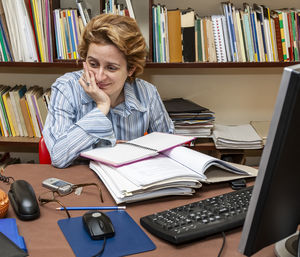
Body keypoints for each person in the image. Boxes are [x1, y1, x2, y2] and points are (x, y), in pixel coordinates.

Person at [42, 14, 174, 168]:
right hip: (82, 183)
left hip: (132, 181)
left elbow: (169, 147)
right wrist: (101, 107)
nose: (99, 76)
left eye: (111, 68)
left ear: (130, 69)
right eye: (93, 64)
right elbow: (58, 156)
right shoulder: (66, 88)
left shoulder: (147, 93)